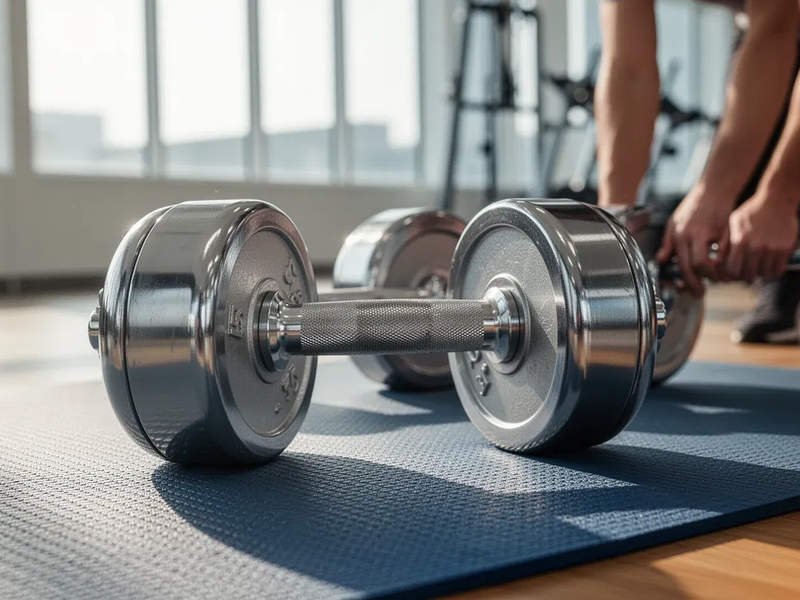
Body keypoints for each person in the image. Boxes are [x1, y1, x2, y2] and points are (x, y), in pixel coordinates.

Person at [595, 0, 800, 343]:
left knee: (755, 194)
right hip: (765, 18)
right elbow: (629, 70)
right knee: (741, 178)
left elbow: (779, 27)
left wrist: (779, 196)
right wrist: (617, 225)